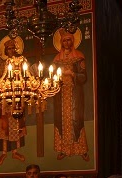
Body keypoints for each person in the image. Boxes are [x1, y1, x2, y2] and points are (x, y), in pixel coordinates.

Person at [53, 29, 88, 161]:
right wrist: (58, 76)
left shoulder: (79, 56)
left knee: (76, 120)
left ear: (72, 41)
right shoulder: (57, 59)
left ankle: (81, 149)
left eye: (69, 40)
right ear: (61, 43)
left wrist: (72, 74)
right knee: (61, 121)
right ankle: (64, 149)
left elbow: (84, 77)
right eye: (64, 40)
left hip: (74, 94)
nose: (67, 43)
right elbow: (52, 77)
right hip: (61, 95)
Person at [0, 37, 27, 165]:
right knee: (4, 126)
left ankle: (15, 152)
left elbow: (26, 77)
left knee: (16, 124)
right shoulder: (2, 64)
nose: (11, 50)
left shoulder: (20, 63)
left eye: (13, 48)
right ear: (6, 50)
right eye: (8, 49)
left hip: (17, 97)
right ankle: (4, 152)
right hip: (4, 98)